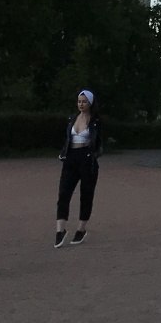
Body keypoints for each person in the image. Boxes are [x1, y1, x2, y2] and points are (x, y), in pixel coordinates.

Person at [56, 89, 103, 247]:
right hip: (71, 158)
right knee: (64, 193)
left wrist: (93, 155)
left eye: (84, 101)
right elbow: (67, 139)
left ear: (90, 103)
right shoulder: (72, 119)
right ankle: (60, 230)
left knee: (86, 194)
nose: (81, 104)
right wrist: (64, 153)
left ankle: (81, 229)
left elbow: (100, 144)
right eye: (79, 101)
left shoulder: (96, 121)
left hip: (87, 159)